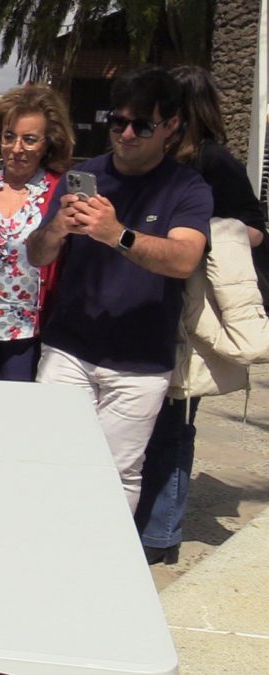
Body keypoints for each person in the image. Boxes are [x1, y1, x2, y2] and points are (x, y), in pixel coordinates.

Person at [26, 66, 212, 513]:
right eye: (117, 122)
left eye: (141, 125)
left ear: (170, 127)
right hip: (69, 349)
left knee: (117, 472)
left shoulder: (187, 187)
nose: (126, 134)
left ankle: (100, 568)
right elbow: (36, 256)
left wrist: (117, 235)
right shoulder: (85, 175)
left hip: (140, 363)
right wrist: (57, 229)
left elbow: (185, 258)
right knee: (49, 458)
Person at [135, 65, 269, 564]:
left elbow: (253, 230)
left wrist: (195, 235)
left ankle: (160, 534)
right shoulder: (151, 160)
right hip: (148, 308)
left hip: (188, 319)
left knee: (173, 425)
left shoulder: (214, 164)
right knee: (147, 426)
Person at [0, 85, 75, 381]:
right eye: (9, 136)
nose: (17, 148)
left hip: (31, 335)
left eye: (30, 139)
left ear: (49, 143)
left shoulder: (60, 189)